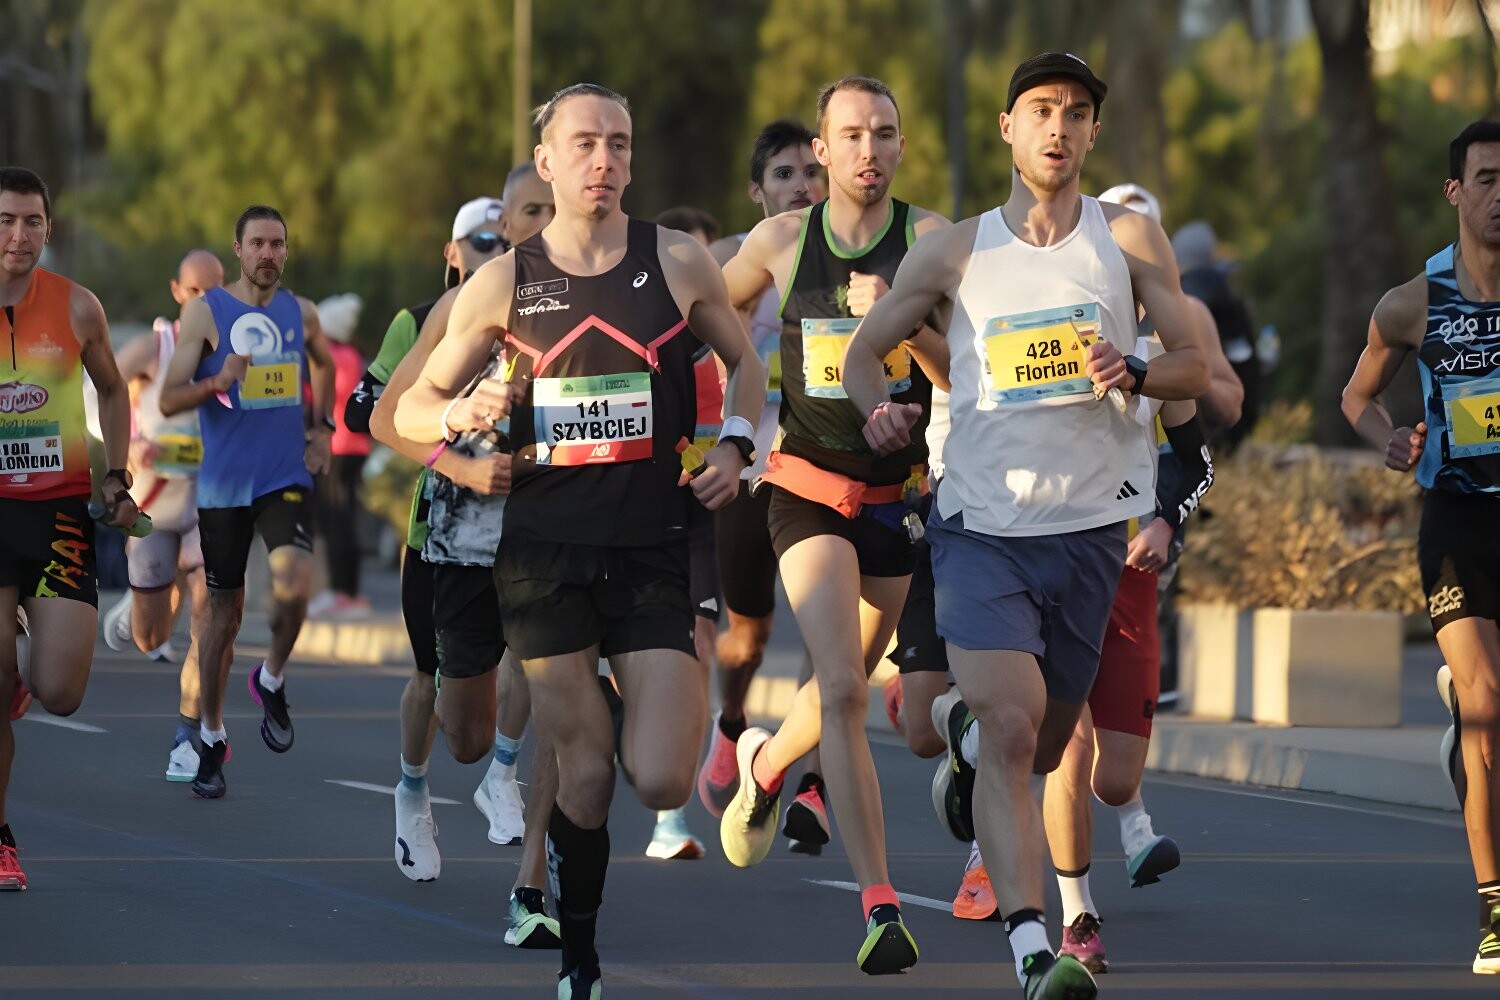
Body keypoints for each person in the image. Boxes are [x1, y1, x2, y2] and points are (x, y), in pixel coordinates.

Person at [845, 53, 1209, 997]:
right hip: (982, 528)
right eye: (1041, 109)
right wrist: (878, 407)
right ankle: (1031, 949)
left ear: (1092, 132)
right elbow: (864, 349)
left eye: (1077, 112)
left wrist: (1130, 366)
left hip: (1091, 535)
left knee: (1048, 748)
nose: (1059, 126)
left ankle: (962, 732)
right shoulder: (957, 251)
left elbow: (1196, 371)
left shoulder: (1127, 242)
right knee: (1013, 734)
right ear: (1008, 127)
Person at [394, 83, 765, 999]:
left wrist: (737, 445)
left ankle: (617, 691)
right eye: (586, 144)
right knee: (588, 775)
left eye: (620, 144)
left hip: (651, 550)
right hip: (544, 560)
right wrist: (461, 429)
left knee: (662, 773)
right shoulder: (502, 282)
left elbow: (746, 364)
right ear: (549, 162)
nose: (605, 160)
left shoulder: (676, 261)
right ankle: (581, 959)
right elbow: (407, 407)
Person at [716, 77, 949, 975]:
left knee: (837, 687)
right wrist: (743, 390)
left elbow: (961, 364)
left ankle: (767, 765)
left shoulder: (931, 241)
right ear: (820, 149)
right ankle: (881, 907)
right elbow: (710, 308)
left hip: (894, 499)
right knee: (847, 691)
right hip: (806, 488)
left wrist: (901, 314)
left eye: (884, 134)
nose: (868, 151)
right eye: (850, 134)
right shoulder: (780, 240)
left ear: (900, 145)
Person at [364, 177, 563, 949]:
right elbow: (386, 418)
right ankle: (415, 791)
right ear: (506, 224)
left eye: (555, 210)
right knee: (458, 727)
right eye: (530, 215)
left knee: (558, 684)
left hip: (554, 537)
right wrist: (464, 467)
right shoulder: (461, 308)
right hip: (454, 542)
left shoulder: (604, 299)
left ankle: (533, 878)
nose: (545, 226)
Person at [1341, 119, 1500, 975]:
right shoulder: (1412, 303)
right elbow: (1356, 397)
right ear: (1456, 192)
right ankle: (1496, 909)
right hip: (1458, 523)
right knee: (1486, 706)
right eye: (1487, 179)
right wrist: (1386, 439)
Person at [158, 205, 335, 800]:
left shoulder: (300, 312)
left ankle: (272, 677)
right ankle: (210, 736)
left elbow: (326, 363)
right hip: (224, 487)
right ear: (238, 249)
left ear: (287, 250)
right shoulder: (206, 312)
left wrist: (324, 429)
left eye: (277, 244)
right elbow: (167, 399)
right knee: (222, 619)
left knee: (295, 581)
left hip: (283, 477)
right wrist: (218, 379)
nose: (267, 254)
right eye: (257, 242)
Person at [0, 166, 139, 890]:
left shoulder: (78, 307)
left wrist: (116, 477)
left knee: (59, 692)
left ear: (48, 229)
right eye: (4, 220)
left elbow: (114, 390)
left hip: (58, 514)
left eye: (31, 222)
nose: (18, 236)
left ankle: (23, 670)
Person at [698, 121, 829, 846]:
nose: (801, 185)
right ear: (757, 190)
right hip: (749, 465)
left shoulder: (850, 258)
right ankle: (732, 722)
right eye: (783, 174)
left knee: (826, 626)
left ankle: (808, 783)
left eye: (812, 170)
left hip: (820, 466)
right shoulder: (731, 263)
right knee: (747, 637)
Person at [100, 248, 224, 781]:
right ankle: (139, 603)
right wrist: (127, 448)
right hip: (153, 505)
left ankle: (188, 734)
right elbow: (97, 390)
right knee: (152, 638)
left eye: (214, 293)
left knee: (207, 617)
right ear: (178, 292)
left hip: (210, 502)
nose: (205, 302)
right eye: (195, 292)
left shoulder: (237, 349)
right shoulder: (156, 347)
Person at [309, 292, 372, 619]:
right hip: (352, 446)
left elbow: (327, 393)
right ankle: (347, 593)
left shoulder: (335, 355)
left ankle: (342, 593)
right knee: (343, 519)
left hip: (338, 447)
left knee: (337, 520)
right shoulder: (352, 353)